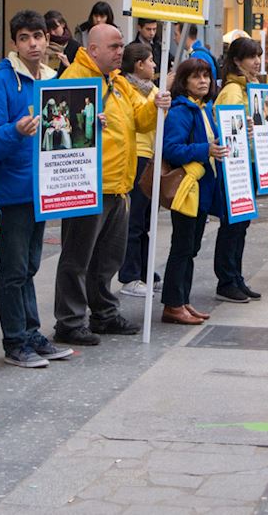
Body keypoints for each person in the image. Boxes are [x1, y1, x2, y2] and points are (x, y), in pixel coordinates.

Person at [57, 24, 170, 345]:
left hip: (119, 184)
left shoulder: (118, 82)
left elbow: (142, 121)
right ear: (93, 49)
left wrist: (156, 105)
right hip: (88, 185)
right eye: (114, 46)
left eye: (121, 46)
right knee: (77, 258)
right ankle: (70, 321)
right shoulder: (76, 78)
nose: (121, 51)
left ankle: (103, 313)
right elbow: (60, 129)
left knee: (107, 258)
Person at [0, 10, 73, 370]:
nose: (33, 44)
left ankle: (31, 332)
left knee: (30, 266)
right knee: (14, 269)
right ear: (14, 43)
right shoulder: (1, 83)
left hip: (43, 189)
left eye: (38, 36)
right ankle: (15, 340)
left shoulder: (52, 78)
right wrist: (15, 131)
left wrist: (89, 124)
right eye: (24, 38)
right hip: (14, 191)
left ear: (47, 39)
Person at [160, 59, 228, 325]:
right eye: (196, 77)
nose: (203, 82)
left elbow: (214, 140)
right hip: (187, 190)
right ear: (184, 81)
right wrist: (204, 150)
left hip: (201, 190)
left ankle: (182, 300)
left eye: (206, 77)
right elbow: (170, 149)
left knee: (191, 248)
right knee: (182, 247)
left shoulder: (204, 108)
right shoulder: (181, 111)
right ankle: (173, 304)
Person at [211, 37, 264, 303]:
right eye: (251, 57)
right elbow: (227, 128)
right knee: (233, 225)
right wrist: (245, 128)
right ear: (236, 60)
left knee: (241, 224)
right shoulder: (233, 90)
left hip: (247, 163)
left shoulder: (249, 87)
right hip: (236, 166)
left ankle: (236, 277)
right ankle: (227, 280)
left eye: (258, 56)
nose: (257, 61)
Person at [117, 43, 162, 299]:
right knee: (134, 220)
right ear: (139, 64)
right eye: (150, 60)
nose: (154, 65)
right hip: (137, 156)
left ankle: (146, 271)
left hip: (153, 156)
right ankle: (130, 275)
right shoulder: (125, 88)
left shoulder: (153, 89)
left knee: (147, 220)